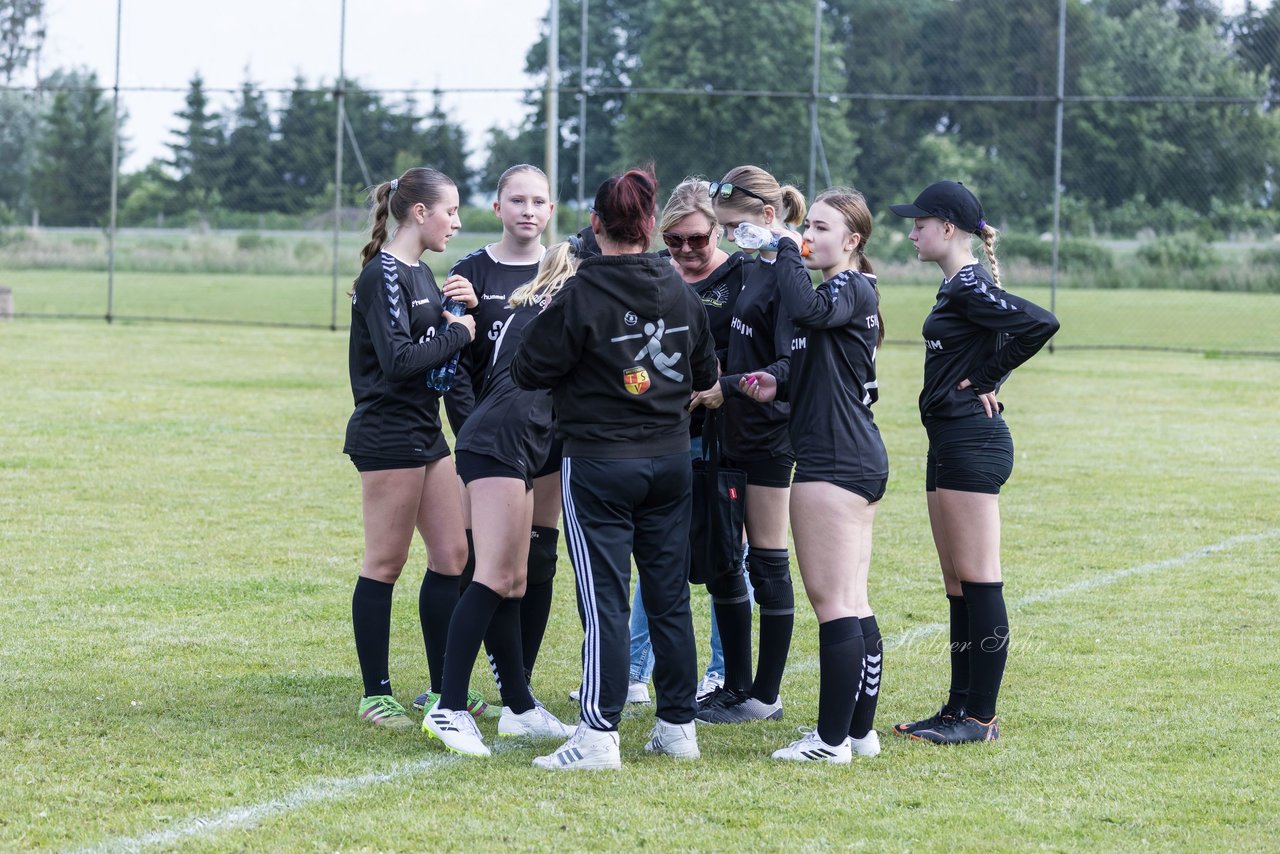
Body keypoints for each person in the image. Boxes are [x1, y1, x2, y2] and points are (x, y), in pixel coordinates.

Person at [512, 168, 718, 770]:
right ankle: (678, 727)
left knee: (604, 598)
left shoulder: (579, 294)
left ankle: (598, 734)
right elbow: (704, 376)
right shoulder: (683, 291)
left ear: (596, 224)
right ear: (652, 227)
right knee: (668, 596)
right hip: (672, 461)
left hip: (600, 463)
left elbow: (529, 370)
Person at [888, 181, 1059, 744]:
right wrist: (988, 372)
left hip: (971, 442)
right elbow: (994, 341)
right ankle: (957, 707)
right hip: (948, 440)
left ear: (948, 228)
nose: (911, 232)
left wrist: (985, 379)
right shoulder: (954, 287)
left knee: (981, 582)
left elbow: (1038, 323)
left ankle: (980, 718)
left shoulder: (967, 284)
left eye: (919, 223)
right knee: (957, 584)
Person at [740, 187, 887, 762]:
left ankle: (829, 741)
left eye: (821, 229)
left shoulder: (850, 286)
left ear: (851, 242)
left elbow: (804, 310)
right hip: (846, 455)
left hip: (835, 462)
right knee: (853, 599)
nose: (810, 237)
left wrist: (780, 247)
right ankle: (857, 732)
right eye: (810, 227)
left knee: (834, 604)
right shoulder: (837, 292)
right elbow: (815, 369)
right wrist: (776, 383)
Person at [421, 241, 583, 756]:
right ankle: (448, 708)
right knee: (493, 576)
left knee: (514, 580)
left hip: (519, 444)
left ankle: (518, 706)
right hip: (498, 443)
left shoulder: (546, 300)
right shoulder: (562, 305)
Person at [412, 164, 560, 715]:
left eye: (538, 201)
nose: (527, 210)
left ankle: (519, 684)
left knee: (538, 559)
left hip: (548, 436)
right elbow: (457, 360)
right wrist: (471, 423)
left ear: (551, 210)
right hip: (490, 438)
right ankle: (457, 687)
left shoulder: (564, 270)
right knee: (480, 561)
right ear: (497, 209)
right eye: (516, 200)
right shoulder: (472, 269)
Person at [343, 167, 477, 729]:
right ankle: (376, 693)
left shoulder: (423, 274)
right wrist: (459, 332)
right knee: (386, 562)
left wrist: (463, 313)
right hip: (388, 434)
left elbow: (436, 353)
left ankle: (443, 690)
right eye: (450, 210)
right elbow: (398, 361)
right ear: (419, 212)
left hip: (425, 433)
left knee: (452, 556)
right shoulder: (384, 275)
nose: (457, 221)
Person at [625, 177, 752, 706]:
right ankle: (632, 670)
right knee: (656, 549)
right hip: (663, 434)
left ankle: (723, 674)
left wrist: (719, 384)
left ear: (718, 229)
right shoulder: (655, 274)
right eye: (674, 242)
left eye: (697, 240)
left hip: (724, 440)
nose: (686, 251)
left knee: (728, 554)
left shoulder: (744, 274)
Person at [696, 165, 804, 724]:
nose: (728, 237)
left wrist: (730, 387)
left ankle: (765, 696)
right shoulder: (749, 268)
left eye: (735, 226)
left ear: (768, 217)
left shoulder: (790, 274)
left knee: (765, 561)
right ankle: (735, 685)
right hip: (728, 430)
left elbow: (790, 366)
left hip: (768, 434)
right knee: (722, 561)